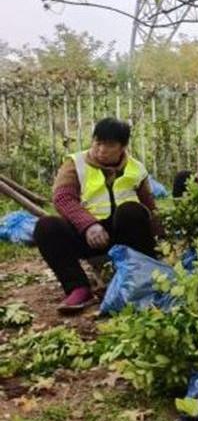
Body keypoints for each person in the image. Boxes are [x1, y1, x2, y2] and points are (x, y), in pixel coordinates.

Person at [34, 118, 159, 314]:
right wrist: (88, 224)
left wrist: (162, 241)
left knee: (132, 210)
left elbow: (150, 208)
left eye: (109, 145)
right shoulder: (75, 164)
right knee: (46, 226)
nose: (101, 149)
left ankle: (137, 278)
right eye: (97, 142)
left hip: (124, 237)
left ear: (122, 147)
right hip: (88, 236)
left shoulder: (136, 169)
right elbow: (63, 198)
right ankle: (78, 288)